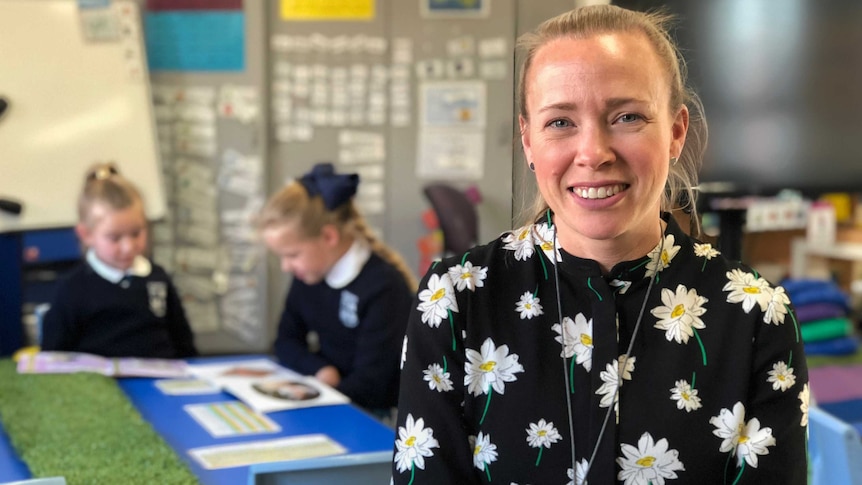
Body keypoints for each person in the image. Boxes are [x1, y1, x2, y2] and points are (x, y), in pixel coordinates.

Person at [392, 5, 808, 484]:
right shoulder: (457, 300)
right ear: (528, 141)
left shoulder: (755, 314)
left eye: (627, 116)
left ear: (675, 132)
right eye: (560, 123)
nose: (593, 153)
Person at [258, 163, 416, 414]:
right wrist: (320, 369)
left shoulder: (384, 286)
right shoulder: (309, 273)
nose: (286, 266)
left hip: (373, 413)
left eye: (293, 255)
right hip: (333, 397)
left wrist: (313, 398)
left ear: (329, 237)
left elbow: (372, 385)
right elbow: (285, 341)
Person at [41, 163, 197, 359]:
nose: (128, 247)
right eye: (115, 238)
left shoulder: (158, 277)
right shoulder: (72, 288)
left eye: (136, 233)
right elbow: (53, 355)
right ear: (86, 234)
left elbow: (183, 341)